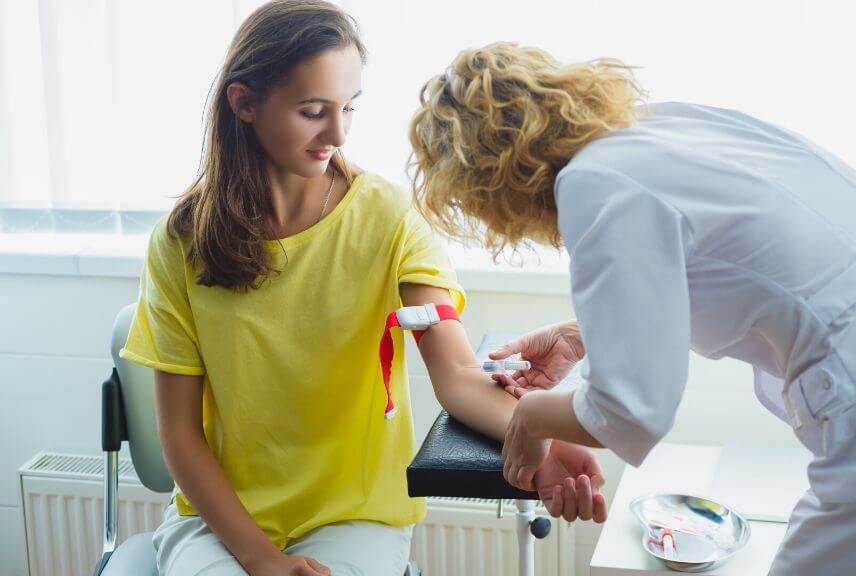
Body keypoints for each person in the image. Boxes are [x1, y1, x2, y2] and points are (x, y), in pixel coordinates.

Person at [407, 41, 856, 575]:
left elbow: (632, 413)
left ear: (486, 181)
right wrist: (581, 334)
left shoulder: (597, 185)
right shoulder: (667, 130)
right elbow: (752, 269)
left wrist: (531, 419)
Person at [119, 10, 606, 575]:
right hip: (218, 523)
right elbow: (178, 434)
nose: (338, 134)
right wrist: (262, 560)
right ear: (244, 103)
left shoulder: (388, 219)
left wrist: (540, 436)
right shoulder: (182, 242)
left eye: (348, 107)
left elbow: (457, 377)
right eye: (313, 112)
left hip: (354, 519)